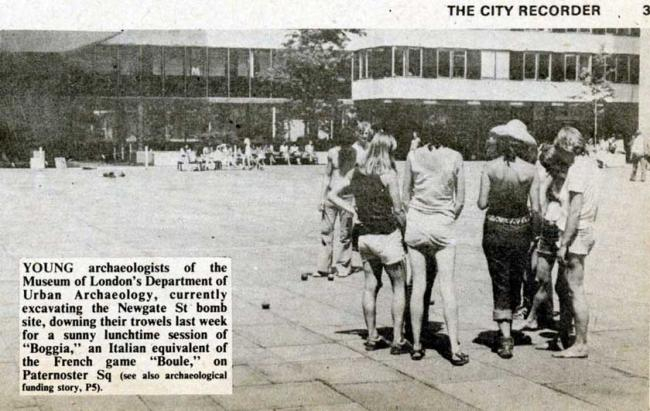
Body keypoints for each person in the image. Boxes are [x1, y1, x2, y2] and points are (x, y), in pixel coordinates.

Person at [328, 132, 409, 353]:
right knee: (399, 287)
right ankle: (398, 339)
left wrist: (350, 208)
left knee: (370, 287)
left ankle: (372, 336)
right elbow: (398, 210)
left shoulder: (356, 172)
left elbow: (332, 194)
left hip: (364, 236)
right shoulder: (389, 175)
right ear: (388, 151)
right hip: (387, 236)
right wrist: (406, 227)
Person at [402, 118, 467, 365]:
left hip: (417, 222)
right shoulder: (455, 157)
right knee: (447, 286)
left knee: (418, 285)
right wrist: (448, 216)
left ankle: (417, 344)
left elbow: (404, 194)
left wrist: (415, 215)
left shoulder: (413, 156)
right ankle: (454, 347)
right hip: (442, 223)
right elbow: (460, 199)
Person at [477, 120, 536, 359]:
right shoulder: (531, 171)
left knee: (499, 278)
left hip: (495, 229)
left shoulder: (489, 168)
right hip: (521, 229)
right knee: (515, 279)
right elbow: (537, 208)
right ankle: (510, 322)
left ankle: (504, 335)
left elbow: (481, 203)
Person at [552, 126, 599, 359]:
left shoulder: (578, 170)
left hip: (576, 232)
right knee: (568, 286)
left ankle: (580, 343)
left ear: (566, 146)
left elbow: (574, 211)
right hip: (585, 229)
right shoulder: (589, 165)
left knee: (575, 288)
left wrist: (563, 243)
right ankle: (567, 334)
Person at [522, 144, 573, 332]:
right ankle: (533, 317)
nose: (551, 170)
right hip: (548, 228)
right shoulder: (549, 178)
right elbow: (540, 200)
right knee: (541, 277)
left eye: (553, 166)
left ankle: (565, 325)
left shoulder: (572, 179)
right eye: (548, 167)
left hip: (563, 230)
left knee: (563, 283)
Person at [316, 128, 363, 278]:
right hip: (331, 197)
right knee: (326, 232)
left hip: (347, 198)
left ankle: (344, 266)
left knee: (345, 234)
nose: (346, 148)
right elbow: (327, 176)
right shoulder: (332, 153)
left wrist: (356, 200)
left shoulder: (356, 154)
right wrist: (322, 198)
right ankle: (323, 267)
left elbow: (357, 179)